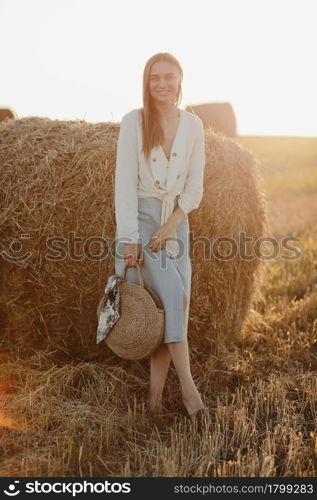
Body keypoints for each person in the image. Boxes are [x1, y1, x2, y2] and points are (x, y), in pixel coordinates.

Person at [114, 52, 207, 429]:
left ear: (180, 80)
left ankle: (153, 400)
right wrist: (130, 239)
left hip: (175, 223)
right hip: (140, 223)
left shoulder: (194, 125)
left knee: (170, 308)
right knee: (174, 297)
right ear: (147, 83)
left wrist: (171, 225)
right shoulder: (133, 122)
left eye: (170, 77)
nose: (163, 84)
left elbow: (195, 185)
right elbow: (123, 184)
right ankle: (189, 390)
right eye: (156, 78)